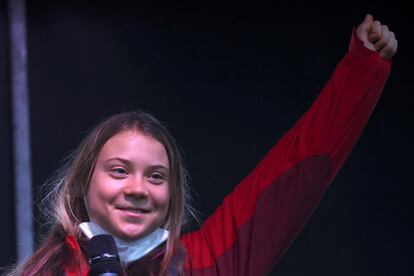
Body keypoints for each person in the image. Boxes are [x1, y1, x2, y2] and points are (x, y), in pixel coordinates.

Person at [7, 14, 397, 275]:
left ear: (172, 196)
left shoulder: (207, 262)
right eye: (119, 171)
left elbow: (297, 170)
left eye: (156, 177)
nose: (138, 189)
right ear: (82, 186)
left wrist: (362, 71)